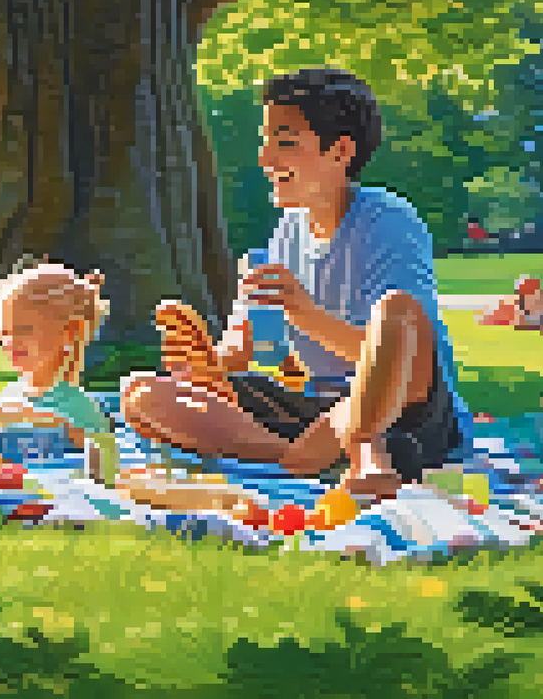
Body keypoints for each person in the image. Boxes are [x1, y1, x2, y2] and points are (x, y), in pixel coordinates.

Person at [120, 68, 469, 500]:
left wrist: (302, 311)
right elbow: (242, 355)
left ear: (340, 151)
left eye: (285, 143)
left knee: (397, 309)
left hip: (401, 414)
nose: (266, 159)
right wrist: (202, 361)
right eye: (266, 142)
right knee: (143, 393)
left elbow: (412, 363)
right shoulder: (288, 229)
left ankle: (362, 453)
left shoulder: (388, 221)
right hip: (314, 412)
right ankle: (294, 457)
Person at [0, 261, 116, 467]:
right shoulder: (8, 395)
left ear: (69, 333)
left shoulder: (80, 408)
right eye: (5, 333)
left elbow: (107, 464)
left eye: (24, 329)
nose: (11, 342)